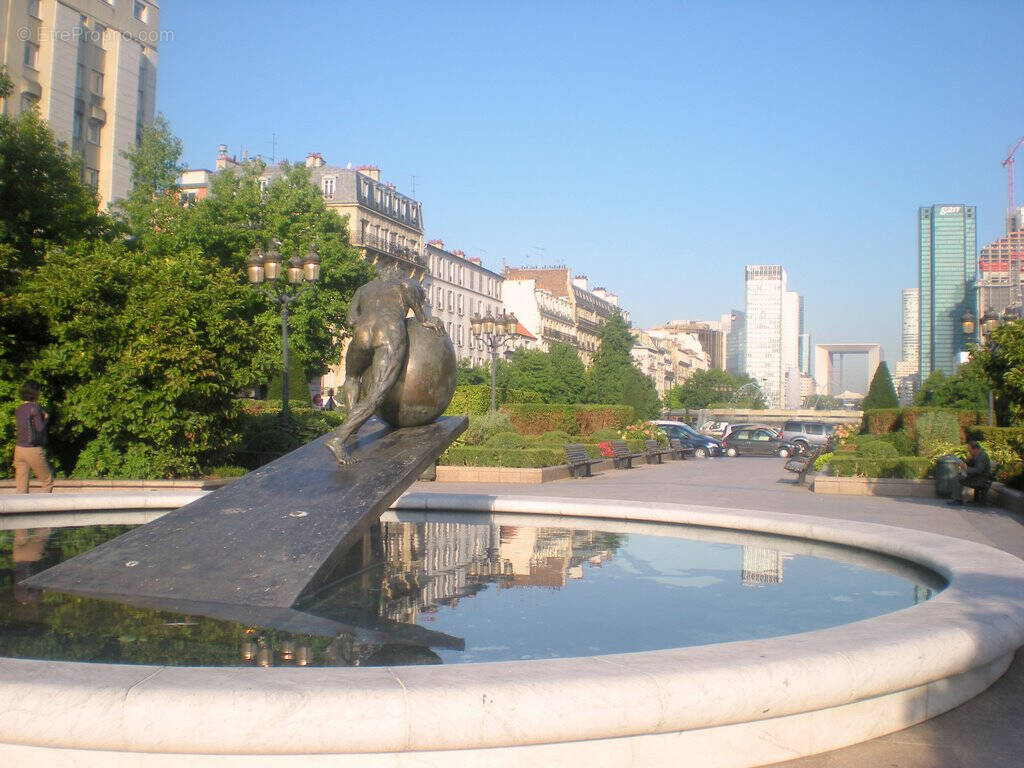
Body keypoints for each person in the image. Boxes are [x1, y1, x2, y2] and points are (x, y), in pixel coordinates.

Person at [325, 277, 443, 464]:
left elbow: (350, 319)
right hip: (389, 333)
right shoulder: (406, 285)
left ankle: (353, 425)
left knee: (352, 377)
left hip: (362, 333)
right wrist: (425, 321)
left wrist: (367, 321)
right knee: (377, 394)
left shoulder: (364, 288)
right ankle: (339, 438)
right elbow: (420, 313)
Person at [13, 380, 54, 494]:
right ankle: (45, 509)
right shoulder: (35, 408)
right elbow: (39, 428)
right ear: (35, 393)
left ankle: (20, 510)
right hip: (32, 449)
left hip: (19, 449)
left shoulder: (19, 409)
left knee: (21, 486)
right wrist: (45, 418)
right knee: (47, 480)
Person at [948, 440, 992, 506]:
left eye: (970, 450)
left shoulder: (982, 456)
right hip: (977, 477)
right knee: (959, 477)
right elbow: (972, 465)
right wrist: (968, 460)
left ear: (975, 449)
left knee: (957, 479)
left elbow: (978, 470)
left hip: (980, 480)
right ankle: (957, 499)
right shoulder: (977, 455)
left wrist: (966, 468)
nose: (969, 452)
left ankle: (957, 500)